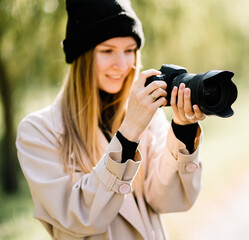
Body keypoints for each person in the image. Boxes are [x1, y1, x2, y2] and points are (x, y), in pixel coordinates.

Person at [15, 0, 206, 239]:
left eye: (129, 50)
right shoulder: (38, 131)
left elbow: (167, 201)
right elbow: (80, 216)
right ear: (82, 56)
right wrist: (129, 133)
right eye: (107, 51)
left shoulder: (149, 114)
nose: (123, 65)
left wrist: (183, 131)